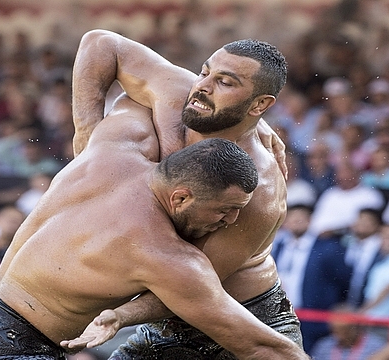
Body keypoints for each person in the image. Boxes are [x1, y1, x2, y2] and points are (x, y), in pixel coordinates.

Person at [0, 96, 306, 360]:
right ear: (182, 198)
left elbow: (108, 49)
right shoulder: (163, 254)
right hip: (4, 349)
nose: (232, 222)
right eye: (226, 210)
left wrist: (253, 123)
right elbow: (257, 345)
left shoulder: (111, 149)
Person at [63, 29, 301, 359]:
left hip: (244, 319)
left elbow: (194, 286)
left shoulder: (258, 191)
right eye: (205, 72)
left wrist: (120, 314)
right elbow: (100, 44)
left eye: (226, 82)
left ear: (260, 104)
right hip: (170, 320)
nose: (202, 86)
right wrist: (86, 143)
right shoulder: (179, 92)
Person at [271, 205, 351, 353]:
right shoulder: (279, 246)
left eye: (300, 220)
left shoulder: (327, 248)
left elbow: (343, 280)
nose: (295, 223)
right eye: (292, 220)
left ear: (309, 221)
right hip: (283, 316)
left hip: (314, 318)